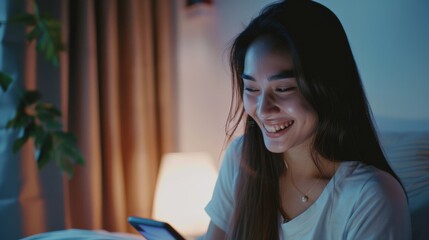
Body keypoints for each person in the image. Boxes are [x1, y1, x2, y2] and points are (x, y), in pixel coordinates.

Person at [204, 1, 412, 239]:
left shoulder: (371, 196)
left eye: (282, 89)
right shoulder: (241, 159)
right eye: (251, 88)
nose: (263, 109)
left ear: (328, 89)